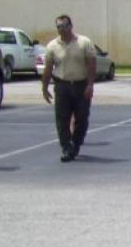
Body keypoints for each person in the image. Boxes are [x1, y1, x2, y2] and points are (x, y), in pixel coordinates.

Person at [41, 14, 97, 162]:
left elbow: (91, 64)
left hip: (80, 85)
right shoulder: (52, 46)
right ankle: (66, 147)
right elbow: (48, 68)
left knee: (82, 118)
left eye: (65, 26)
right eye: (59, 27)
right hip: (62, 86)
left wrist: (90, 85)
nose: (62, 29)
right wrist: (44, 87)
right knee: (62, 119)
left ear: (71, 26)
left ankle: (76, 143)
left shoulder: (84, 42)